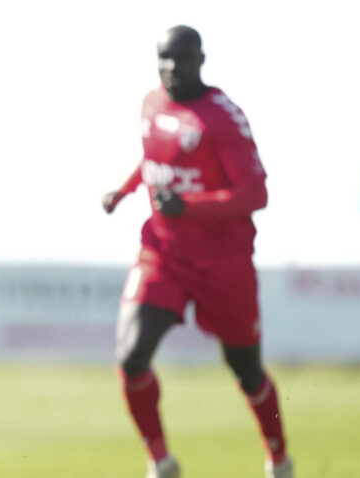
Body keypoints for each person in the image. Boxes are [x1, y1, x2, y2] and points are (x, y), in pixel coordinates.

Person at [102, 25, 292, 478]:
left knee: (246, 369)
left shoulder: (222, 118)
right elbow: (156, 159)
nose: (171, 67)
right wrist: (125, 190)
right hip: (163, 252)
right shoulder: (151, 103)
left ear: (201, 60)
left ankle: (279, 459)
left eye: (181, 58)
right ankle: (161, 462)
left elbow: (256, 193)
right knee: (131, 356)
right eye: (163, 58)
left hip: (223, 261)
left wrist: (190, 205)